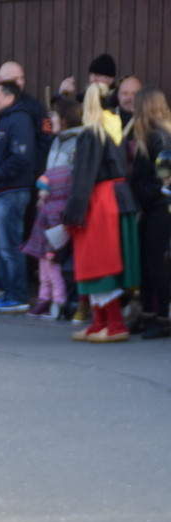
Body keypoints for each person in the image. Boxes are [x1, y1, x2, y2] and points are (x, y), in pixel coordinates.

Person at [65, 83, 141, 343]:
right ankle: (100, 322)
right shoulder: (115, 127)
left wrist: (73, 210)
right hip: (117, 198)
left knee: (99, 261)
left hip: (99, 200)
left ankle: (114, 324)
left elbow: (84, 177)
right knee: (106, 259)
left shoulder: (92, 133)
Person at [21, 98, 83, 320]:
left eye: (55, 115)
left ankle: (66, 300)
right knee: (45, 256)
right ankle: (45, 299)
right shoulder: (57, 141)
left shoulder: (77, 141)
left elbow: (73, 176)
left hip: (63, 208)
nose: (50, 119)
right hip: (49, 206)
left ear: (65, 119)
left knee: (57, 257)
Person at [0, 80, 37, 313]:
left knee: (9, 246)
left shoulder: (19, 120)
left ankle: (17, 295)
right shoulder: (4, 119)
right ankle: (8, 292)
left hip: (11, 192)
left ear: (9, 97)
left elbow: (21, 156)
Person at [126, 86, 171, 339]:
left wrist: (146, 193)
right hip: (150, 207)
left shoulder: (160, 137)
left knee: (157, 264)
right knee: (144, 262)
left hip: (159, 208)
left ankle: (163, 318)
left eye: (136, 103)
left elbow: (165, 178)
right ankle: (147, 313)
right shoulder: (150, 135)